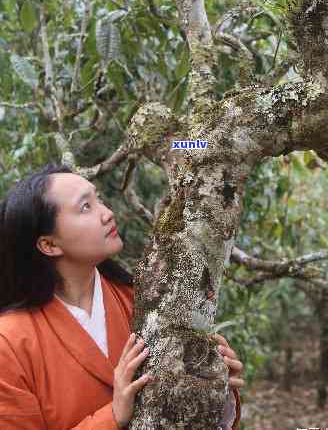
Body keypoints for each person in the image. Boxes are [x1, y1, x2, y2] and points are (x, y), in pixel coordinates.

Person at [0, 164, 244, 429]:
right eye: (85, 207)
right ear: (49, 245)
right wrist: (112, 416)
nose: (107, 214)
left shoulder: (144, 299)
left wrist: (213, 387)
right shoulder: (10, 343)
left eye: (99, 199)